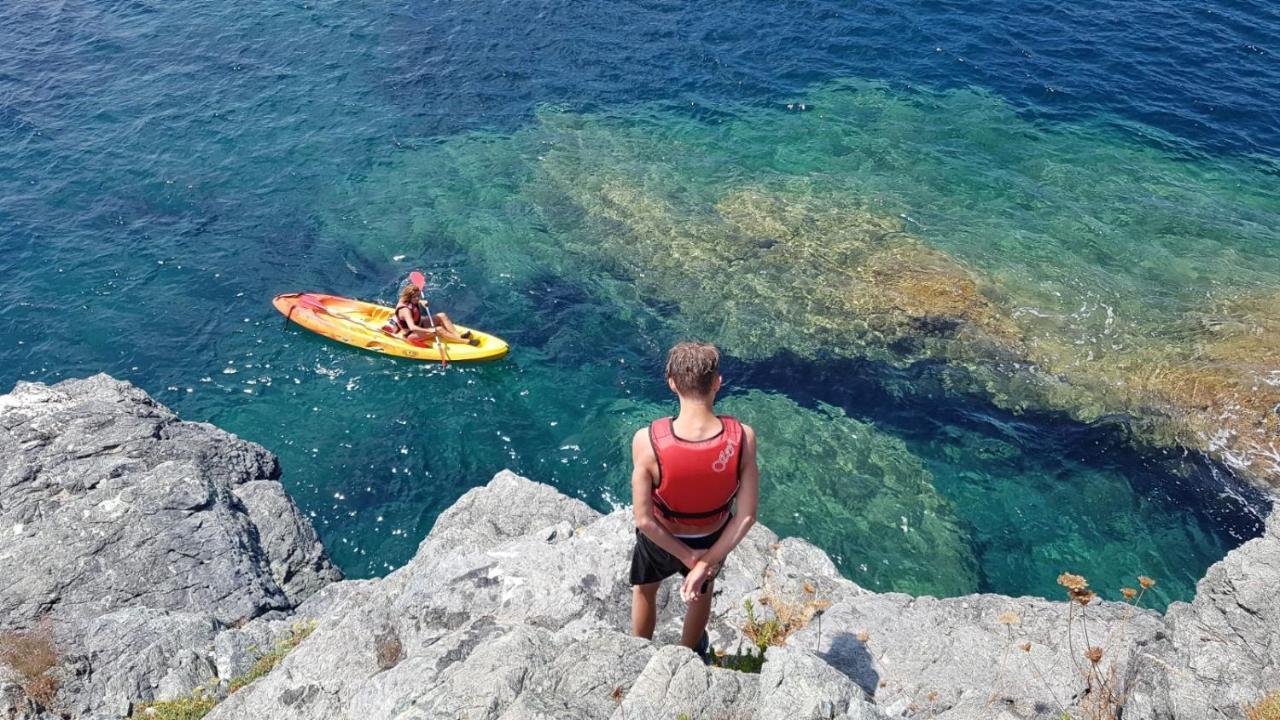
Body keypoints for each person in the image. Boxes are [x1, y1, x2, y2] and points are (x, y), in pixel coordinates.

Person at [629, 341, 759, 662]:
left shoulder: (647, 441)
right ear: (717, 382)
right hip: (712, 539)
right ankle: (687, 655)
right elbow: (746, 516)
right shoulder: (743, 437)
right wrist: (703, 562)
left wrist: (687, 556)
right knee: (701, 594)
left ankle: (639, 653)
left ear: (671, 382)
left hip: (662, 539)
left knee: (645, 590)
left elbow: (644, 519)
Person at [383, 284, 479, 346]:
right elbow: (412, 327)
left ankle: (458, 336)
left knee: (442, 315)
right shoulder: (405, 310)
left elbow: (414, 301)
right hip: (411, 334)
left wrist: (421, 302)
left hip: (420, 323)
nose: (417, 298)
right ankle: (467, 342)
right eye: (415, 297)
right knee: (439, 329)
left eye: (419, 296)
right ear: (409, 297)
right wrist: (430, 330)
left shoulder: (411, 299)